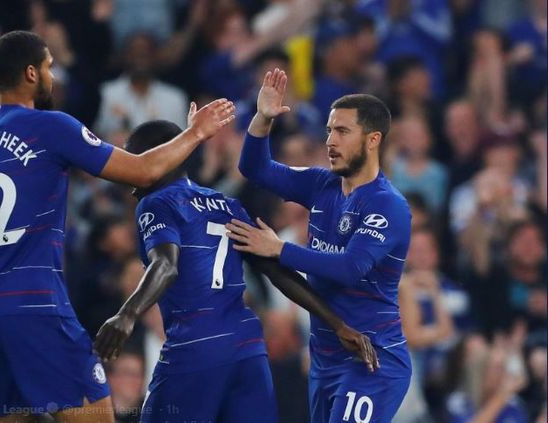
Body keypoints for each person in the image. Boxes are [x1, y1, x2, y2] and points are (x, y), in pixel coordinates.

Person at [0, 30, 235, 422]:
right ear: (30, 74)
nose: (52, 77)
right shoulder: (51, 127)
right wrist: (196, 133)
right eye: (48, 68)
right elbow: (143, 171)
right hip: (36, 304)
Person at [93, 119, 378, 422]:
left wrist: (127, 314)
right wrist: (338, 324)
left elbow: (166, 264)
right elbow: (277, 271)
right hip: (248, 349)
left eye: (134, 157)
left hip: (194, 349)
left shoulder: (156, 203)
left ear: (165, 155)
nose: (126, 170)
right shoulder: (228, 205)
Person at [226, 69, 412, 422]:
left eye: (342, 131)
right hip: (324, 358)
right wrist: (263, 118)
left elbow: (350, 268)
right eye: (329, 130)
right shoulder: (320, 184)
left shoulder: (388, 205)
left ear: (373, 140)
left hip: (371, 359)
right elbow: (254, 168)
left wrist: (279, 249)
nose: (330, 140)